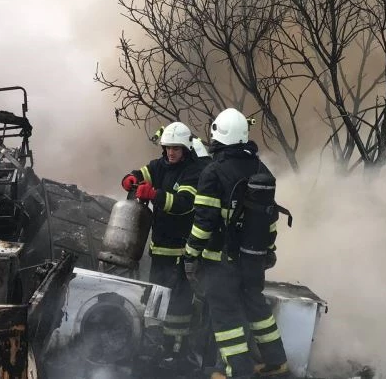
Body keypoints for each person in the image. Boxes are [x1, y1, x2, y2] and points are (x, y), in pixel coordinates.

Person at [184, 108, 289, 379]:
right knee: (256, 307)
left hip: (221, 261)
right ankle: (276, 362)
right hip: (253, 258)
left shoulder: (213, 172)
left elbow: (204, 221)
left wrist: (191, 252)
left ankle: (236, 371)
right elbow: (270, 218)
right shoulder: (259, 168)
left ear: (217, 134)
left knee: (226, 315)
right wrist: (268, 250)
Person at [121, 121, 205, 369]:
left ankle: (177, 351)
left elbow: (183, 203)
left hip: (181, 251)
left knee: (178, 305)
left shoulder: (193, 171)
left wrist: (154, 195)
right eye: (168, 148)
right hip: (159, 248)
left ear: (186, 148)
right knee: (156, 299)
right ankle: (158, 347)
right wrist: (130, 178)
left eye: (176, 149)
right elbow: (143, 173)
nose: (171, 153)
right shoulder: (161, 165)